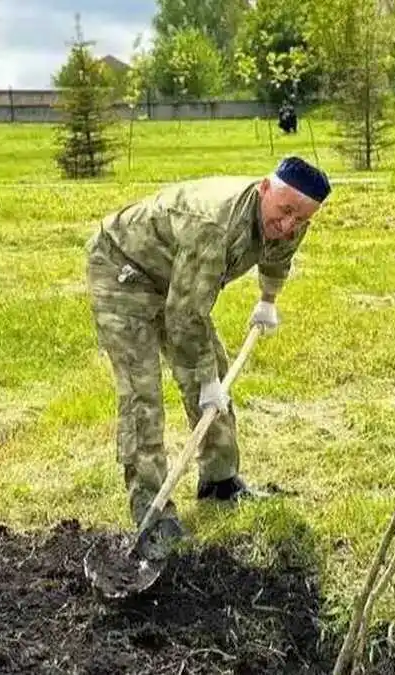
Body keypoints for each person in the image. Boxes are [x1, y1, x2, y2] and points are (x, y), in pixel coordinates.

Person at [85, 156, 330, 557]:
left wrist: (267, 300)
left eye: (301, 220)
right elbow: (184, 317)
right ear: (263, 189)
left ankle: (220, 482)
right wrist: (206, 383)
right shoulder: (215, 224)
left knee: (212, 368)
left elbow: (277, 254)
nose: (289, 225)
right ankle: (152, 509)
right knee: (142, 393)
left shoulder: (292, 216)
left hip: (178, 277)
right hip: (123, 269)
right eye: (285, 212)